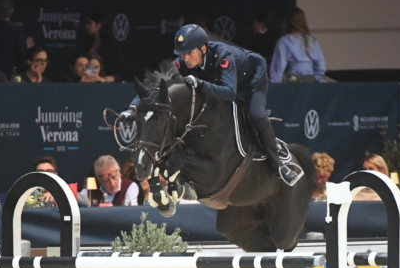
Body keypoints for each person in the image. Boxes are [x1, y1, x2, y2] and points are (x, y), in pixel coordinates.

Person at [119, 24, 302, 186]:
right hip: (221, 81)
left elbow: (230, 92)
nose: (186, 58)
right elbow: (155, 85)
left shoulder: (224, 57)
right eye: (182, 54)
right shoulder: (184, 60)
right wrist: (131, 108)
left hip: (251, 81)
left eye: (190, 53)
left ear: (203, 48)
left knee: (256, 114)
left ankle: (279, 164)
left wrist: (201, 84)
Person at [269, 7, 326, 83]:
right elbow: (321, 67)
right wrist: (314, 78)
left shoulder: (284, 41)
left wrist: (274, 84)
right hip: (311, 81)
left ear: (287, 22)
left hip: (293, 82)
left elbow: (278, 67)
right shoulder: (312, 41)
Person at [83, 12, 123, 78]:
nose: (86, 26)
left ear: (99, 25)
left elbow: (117, 70)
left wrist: (105, 79)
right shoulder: (87, 44)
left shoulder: (111, 46)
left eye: (90, 23)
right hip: (89, 82)